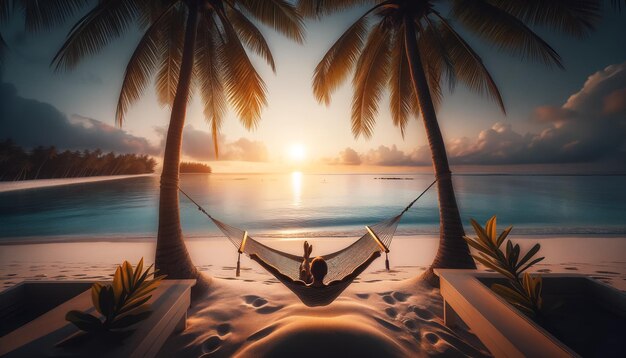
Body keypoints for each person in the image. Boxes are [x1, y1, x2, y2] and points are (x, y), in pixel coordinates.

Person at [250, 251, 381, 288]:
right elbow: (354, 273)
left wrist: (258, 259)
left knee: (302, 275)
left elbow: (278, 273)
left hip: (305, 285)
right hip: (316, 284)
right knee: (302, 274)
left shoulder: (300, 285)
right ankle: (305, 259)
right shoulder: (333, 285)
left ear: (312, 272)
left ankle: (305, 260)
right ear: (326, 272)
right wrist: (372, 257)